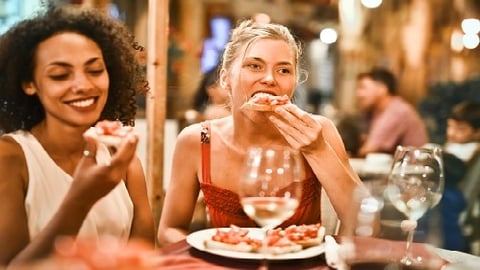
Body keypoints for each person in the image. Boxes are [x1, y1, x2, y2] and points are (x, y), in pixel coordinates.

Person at [157, 19, 364, 245]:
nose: (269, 79)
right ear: (226, 79)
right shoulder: (197, 140)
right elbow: (169, 230)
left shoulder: (319, 130)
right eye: (254, 66)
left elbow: (363, 222)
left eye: (283, 70)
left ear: (294, 81)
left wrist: (317, 149)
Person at [0, 6, 154, 266]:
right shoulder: (10, 157)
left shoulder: (124, 162)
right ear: (29, 83)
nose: (83, 85)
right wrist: (81, 199)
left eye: (94, 71)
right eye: (60, 75)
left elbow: (146, 258)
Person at [355, 67, 429, 157]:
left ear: (382, 89)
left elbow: (369, 150)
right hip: (400, 167)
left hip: (413, 168)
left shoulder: (396, 111)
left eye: (363, 88)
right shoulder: (378, 111)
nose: (358, 94)